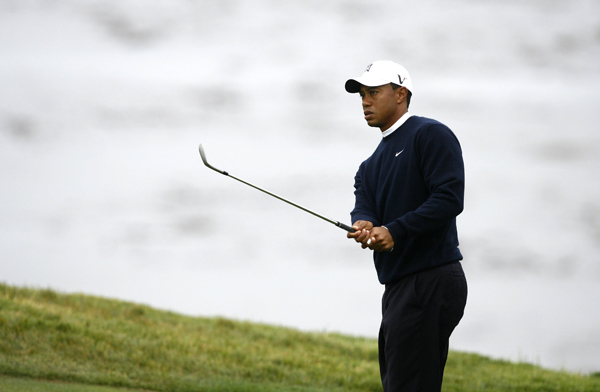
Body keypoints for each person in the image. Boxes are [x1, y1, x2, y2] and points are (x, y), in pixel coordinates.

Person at [345, 61, 468, 392]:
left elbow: (449, 198)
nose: (365, 102)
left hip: (431, 277)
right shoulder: (368, 166)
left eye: (373, 93)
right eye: (361, 95)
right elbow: (365, 207)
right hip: (400, 287)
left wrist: (394, 231)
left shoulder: (429, 134)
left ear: (401, 94)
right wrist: (364, 225)